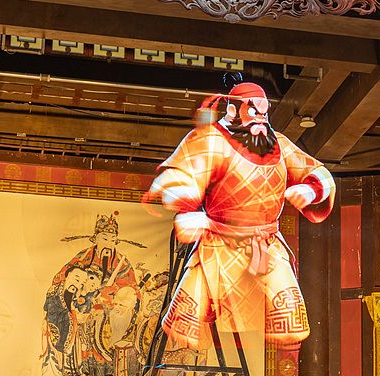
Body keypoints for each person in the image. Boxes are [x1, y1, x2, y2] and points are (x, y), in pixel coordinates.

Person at [143, 78, 335, 351]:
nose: (261, 119)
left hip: (266, 246)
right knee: (186, 328)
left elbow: (318, 172)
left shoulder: (279, 144)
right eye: (253, 112)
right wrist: (187, 207)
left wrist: (311, 189)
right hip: (218, 246)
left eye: (264, 113)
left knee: (292, 327)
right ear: (233, 111)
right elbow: (178, 177)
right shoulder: (211, 141)